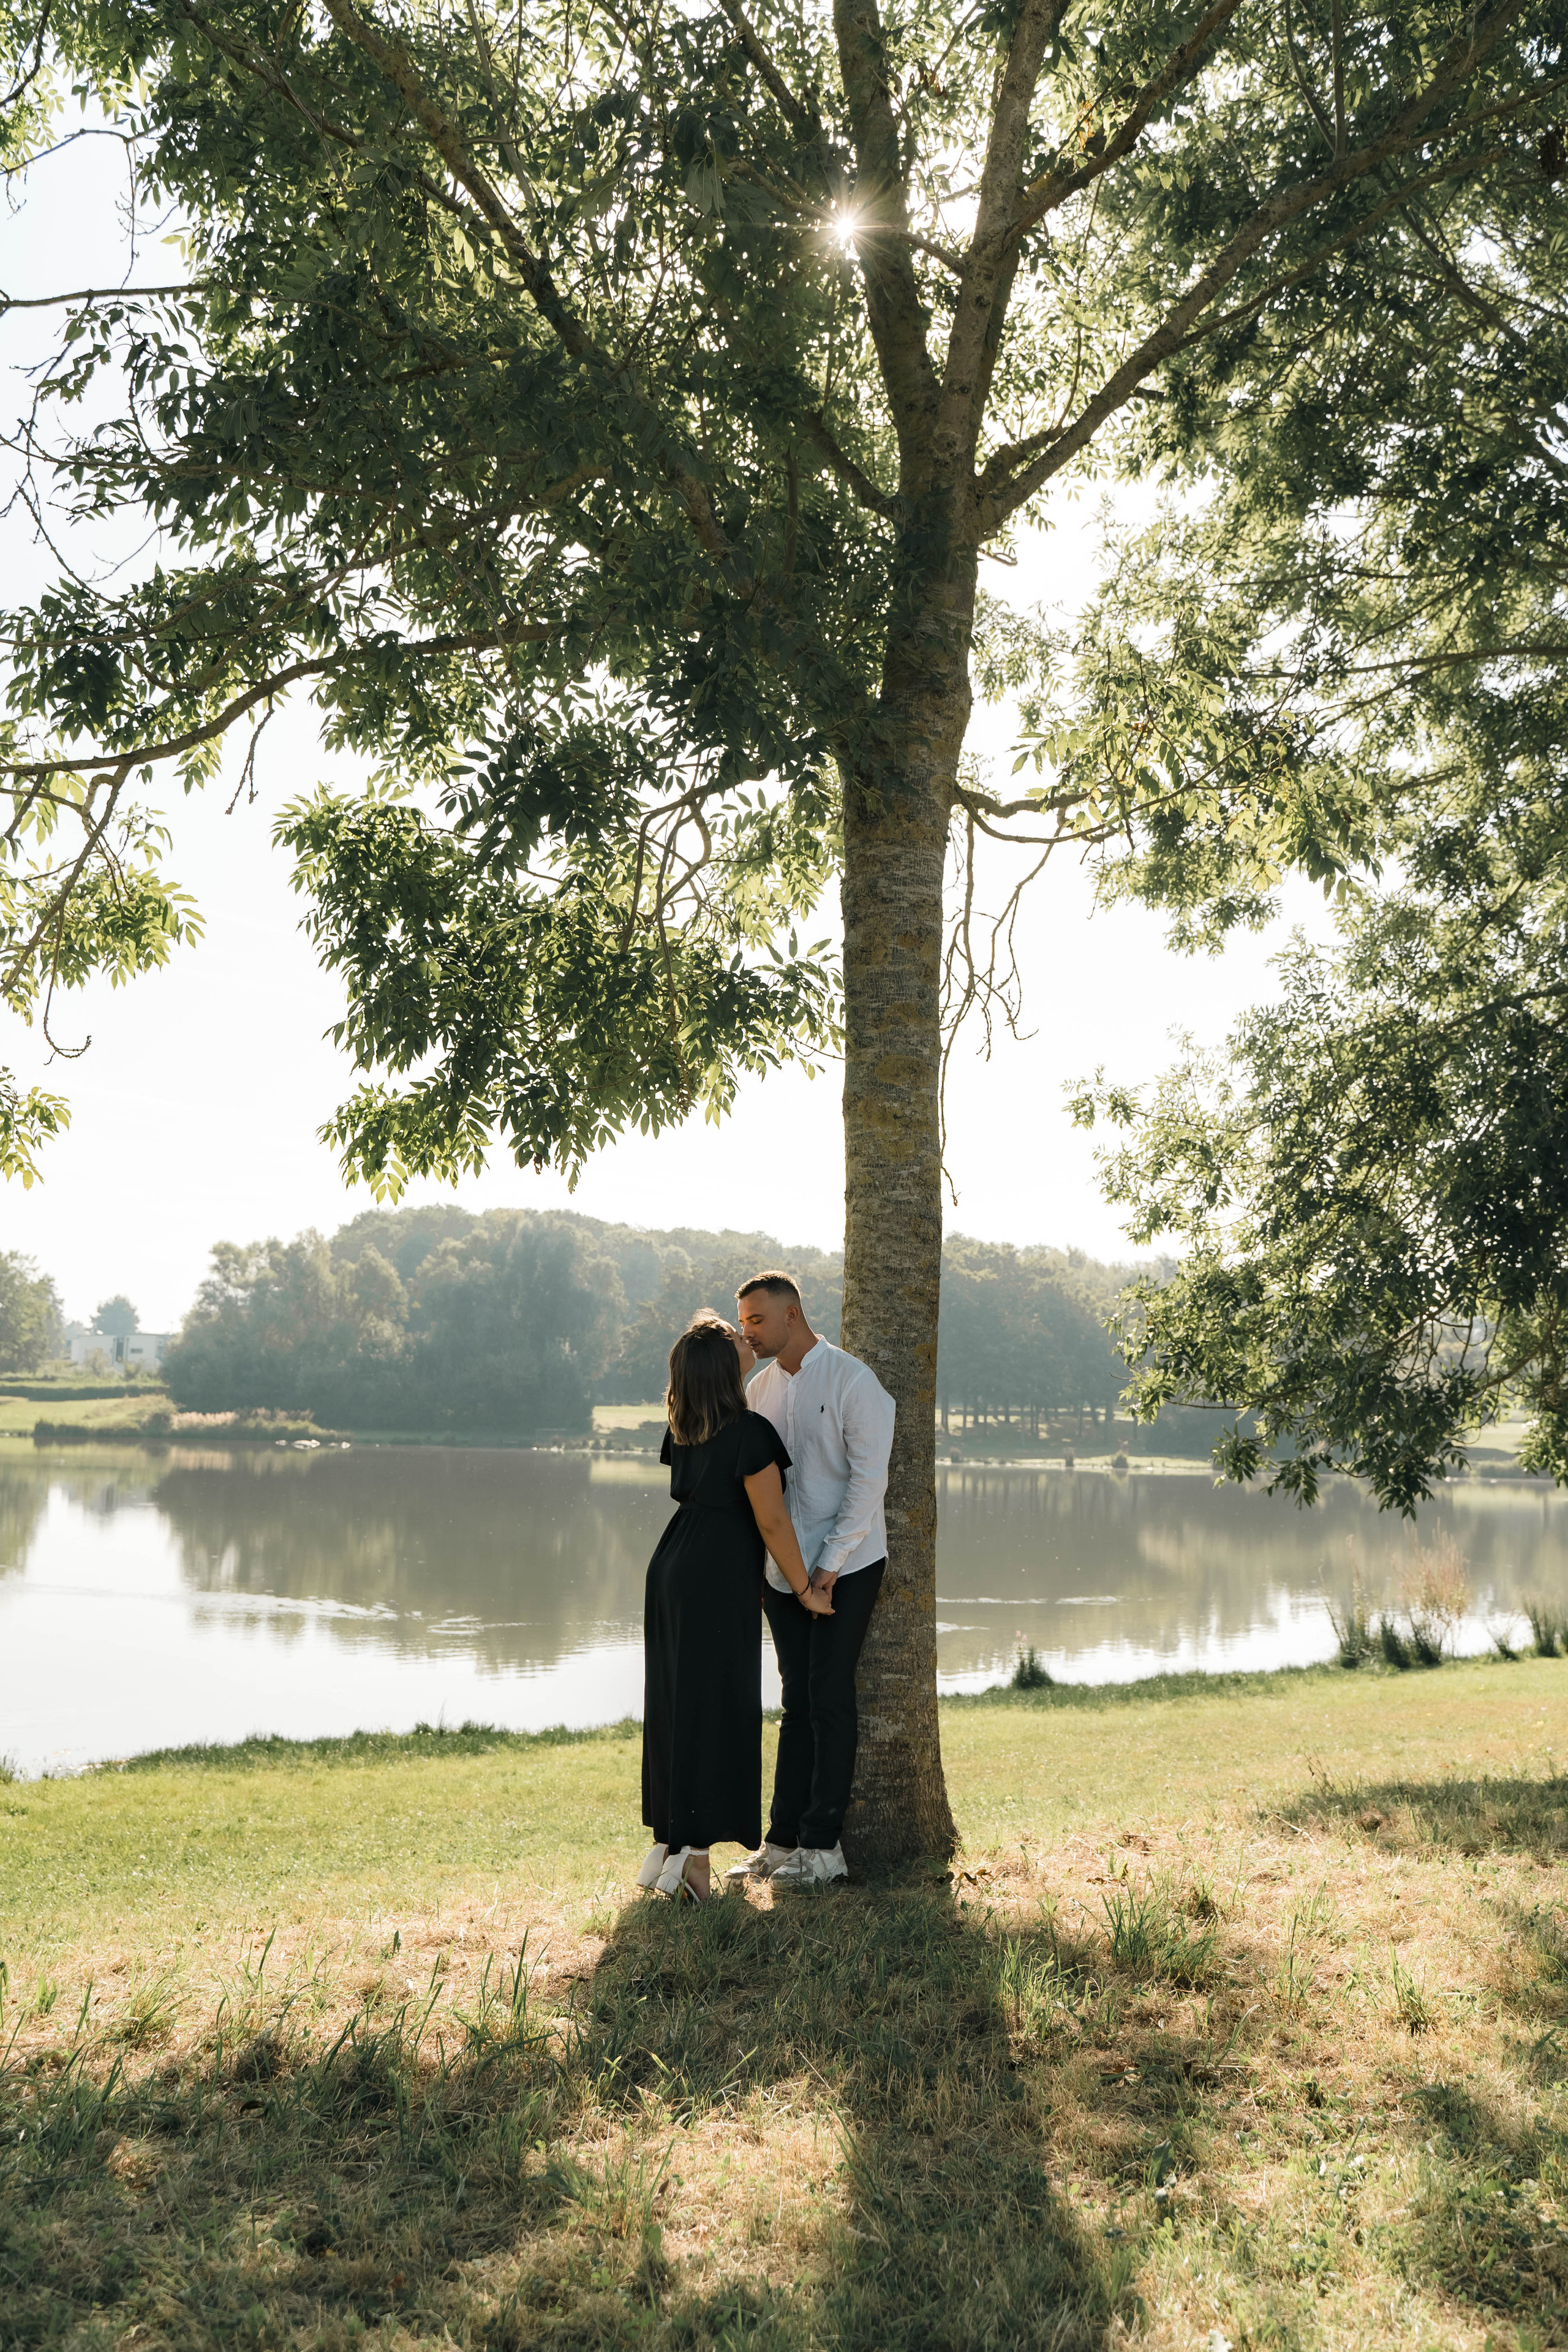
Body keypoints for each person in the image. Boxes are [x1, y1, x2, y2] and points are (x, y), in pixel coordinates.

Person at [639, 1313, 833, 1903]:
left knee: (677, 1704)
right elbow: (772, 1522)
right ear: (726, 1367)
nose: (746, 1339)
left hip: (672, 1566)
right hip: (714, 1576)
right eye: (733, 1337)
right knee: (716, 1709)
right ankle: (693, 1861)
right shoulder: (747, 1432)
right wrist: (806, 1589)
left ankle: (671, 1847)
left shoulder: (686, 1426)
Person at [727, 1272, 895, 1890]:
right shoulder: (757, 1390)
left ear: (792, 1315)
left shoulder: (853, 1380)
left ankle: (825, 1849)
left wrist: (825, 1570)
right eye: (741, 1321)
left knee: (827, 1694)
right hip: (782, 1569)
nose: (747, 1331)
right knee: (795, 1700)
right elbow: (755, 1493)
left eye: (757, 1320)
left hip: (847, 1564)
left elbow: (867, 1482)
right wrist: (774, 1572)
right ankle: (782, 1840)